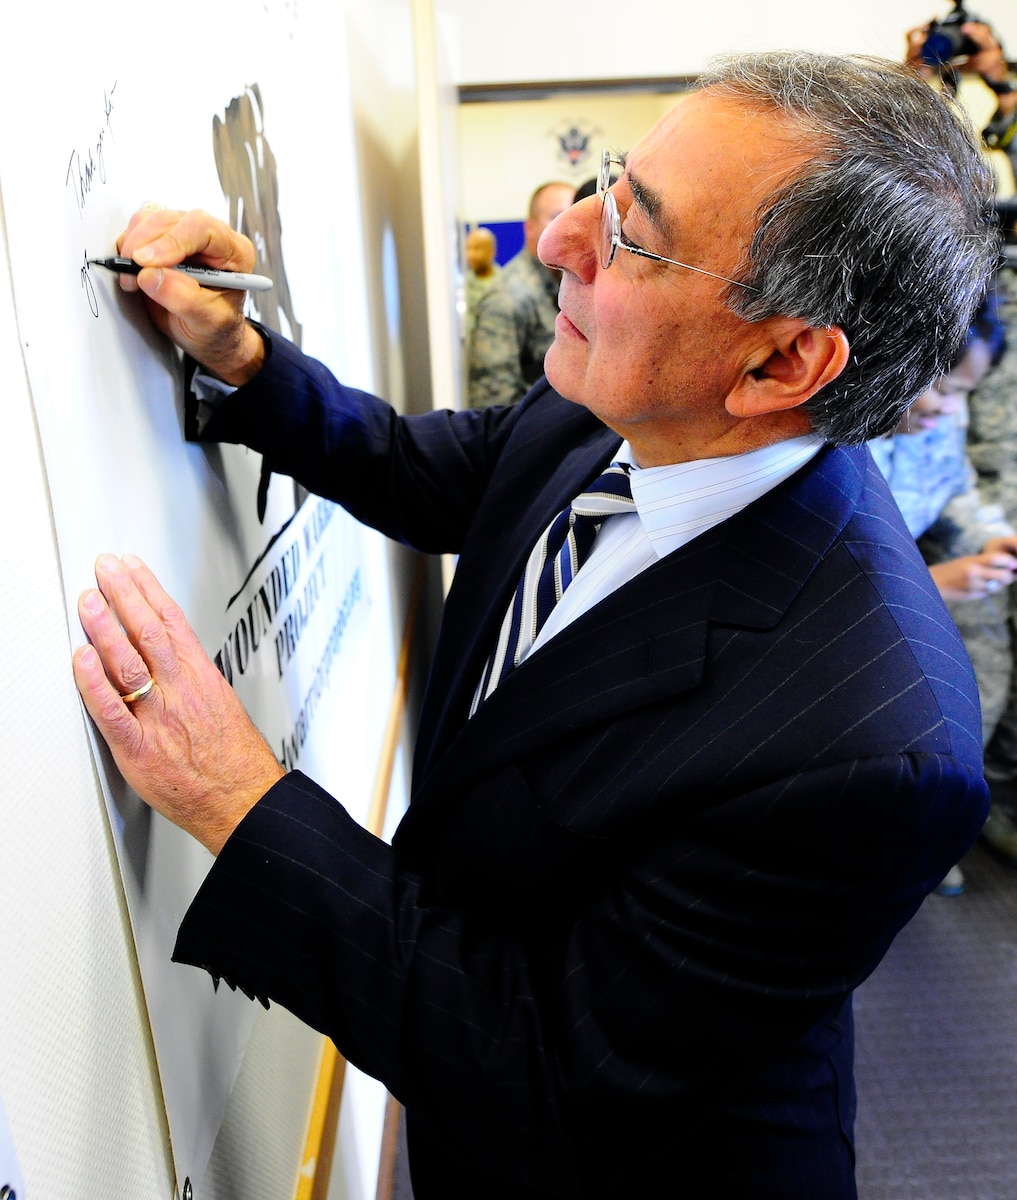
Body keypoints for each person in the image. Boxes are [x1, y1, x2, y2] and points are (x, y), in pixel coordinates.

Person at [73, 52, 998, 1199]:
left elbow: (544, 1074)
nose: (557, 241)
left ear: (779, 360)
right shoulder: (617, 398)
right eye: (610, 183)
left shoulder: (872, 745)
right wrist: (241, 358)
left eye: (635, 234)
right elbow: (423, 471)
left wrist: (236, 800)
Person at [869, 330, 1017, 893]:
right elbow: (824, 591)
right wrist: (931, 588)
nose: (951, 409)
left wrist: (993, 537)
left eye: (964, 395)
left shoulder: (936, 416)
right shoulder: (839, 447)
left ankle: (921, 832)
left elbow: (954, 485)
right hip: (869, 604)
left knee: (976, 685)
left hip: (909, 572)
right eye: (941, 389)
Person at [467, 180, 574, 408]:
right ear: (530, 228)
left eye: (574, 217)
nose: (568, 228)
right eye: (556, 217)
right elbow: (494, 404)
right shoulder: (507, 296)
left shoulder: (566, 284)